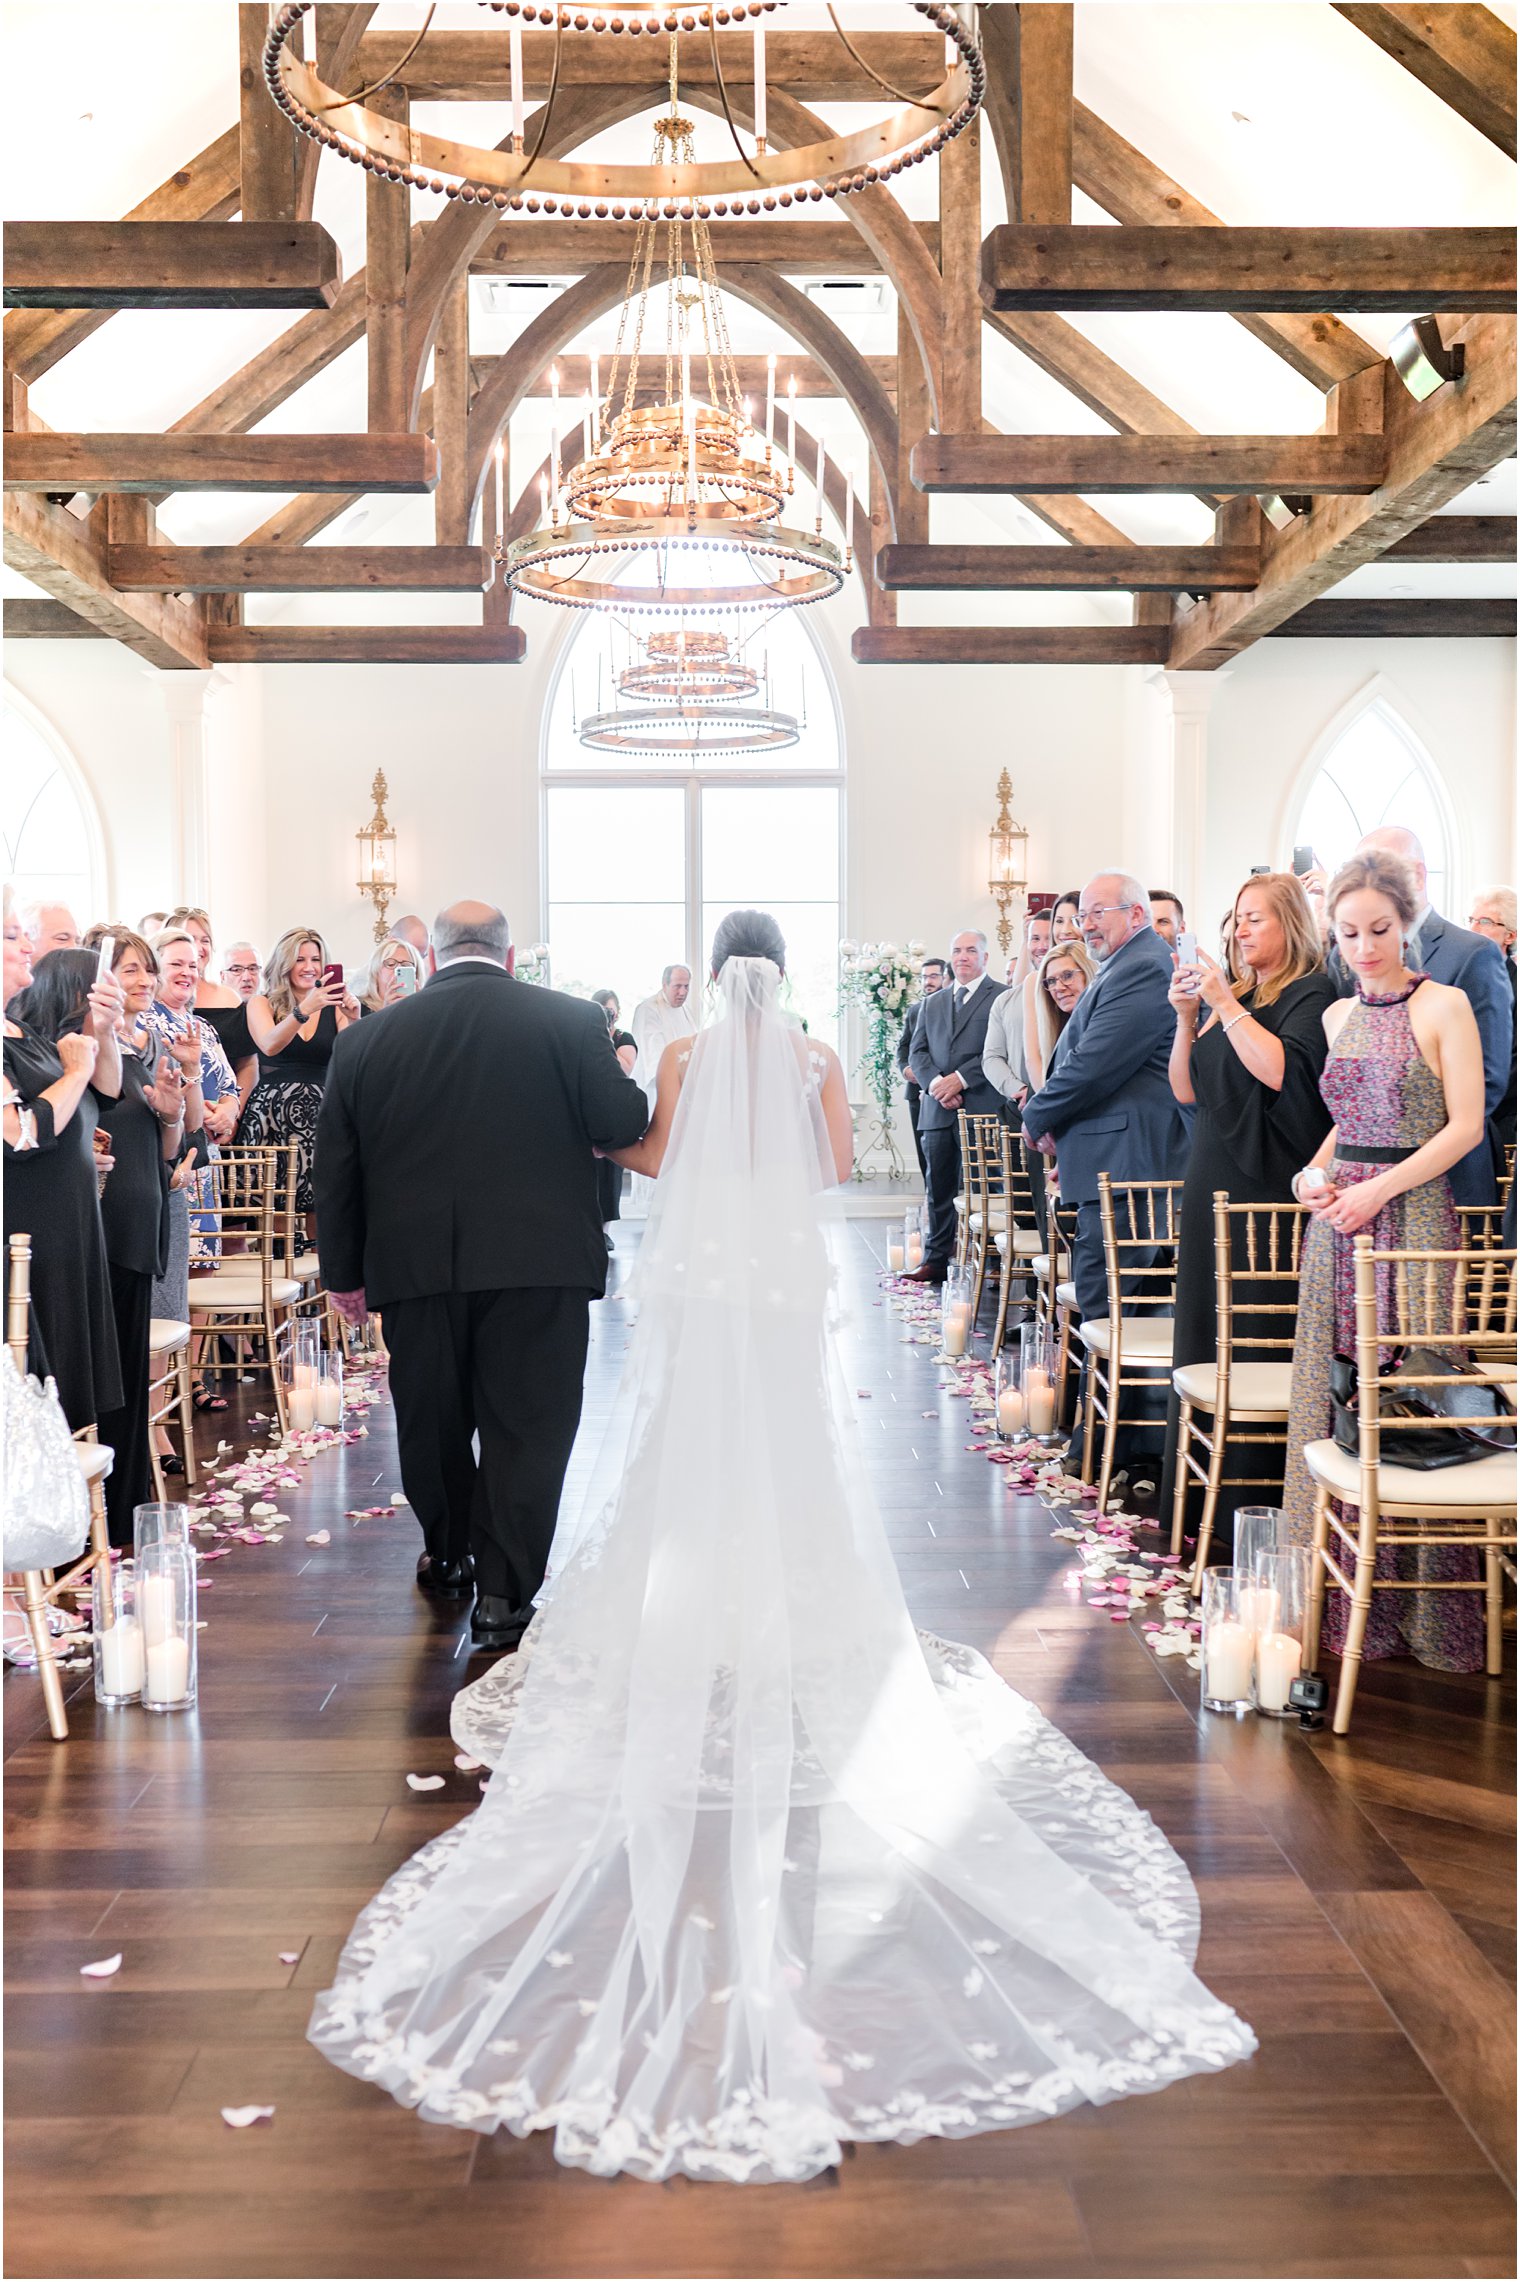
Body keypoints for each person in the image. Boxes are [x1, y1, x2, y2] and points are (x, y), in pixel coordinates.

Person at [310, 903, 1254, 2179]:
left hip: (696, 1271)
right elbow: (822, 1168)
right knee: (787, 1439)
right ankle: (764, 1590)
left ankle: (580, 1579)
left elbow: (644, 1154)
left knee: (680, 1435)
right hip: (774, 1267)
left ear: (711, 974)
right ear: (789, 970)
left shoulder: (688, 1053)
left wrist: (689, 1167)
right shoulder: (810, 1054)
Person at [313, 901, 650, 1649]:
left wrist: (344, 1274)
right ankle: (504, 1595)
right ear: (510, 953)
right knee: (528, 1427)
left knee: (432, 1420)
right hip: (541, 1265)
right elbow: (622, 1122)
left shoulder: (367, 1039)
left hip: (413, 1266)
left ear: (430, 957)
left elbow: (334, 1171)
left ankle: (450, 1550)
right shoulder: (568, 1022)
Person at [1282, 848, 1488, 1673]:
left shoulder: (1446, 1004)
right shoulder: (1336, 1017)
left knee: (1409, 1397)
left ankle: (1429, 1623)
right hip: (1338, 1222)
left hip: (1415, 1217)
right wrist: (1316, 1174)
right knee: (1334, 1395)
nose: (1364, 946)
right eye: (1349, 932)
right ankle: (1336, 1605)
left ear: (1406, 924)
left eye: (1379, 929)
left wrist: (1376, 1194)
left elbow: (1465, 1125)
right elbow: (1343, 1121)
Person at [1159, 874, 1336, 1553]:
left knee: (1254, 1340)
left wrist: (1224, 1001)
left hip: (1266, 1191)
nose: (1237, 932)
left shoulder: (1310, 993)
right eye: (1234, 920)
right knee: (1203, 1330)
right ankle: (1199, 1505)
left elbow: (1284, 1075)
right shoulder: (1246, 995)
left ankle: (1255, 1516)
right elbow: (1188, 1087)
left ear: (1288, 922)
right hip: (1210, 1179)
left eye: (1253, 919)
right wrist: (1185, 1018)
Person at [1021, 874, 1192, 1471]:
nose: (1084, 924)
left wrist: (1038, 1113)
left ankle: (1107, 1449)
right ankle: (1113, 1446)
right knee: (1118, 1305)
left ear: (1138, 915)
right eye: (1082, 915)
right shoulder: (1128, 964)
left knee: (1113, 1303)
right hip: (1116, 1162)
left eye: (1098, 914)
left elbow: (1096, 1062)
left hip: (1133, 1166)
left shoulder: (1145, 966)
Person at [21, 937, 184, 1545]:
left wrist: (170, 1113)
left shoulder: (98, 1050)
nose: (134, 984)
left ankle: (120, 1513)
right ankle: (95, 1521)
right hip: (90, 1233)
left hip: (130, 1225)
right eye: (118, 975)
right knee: (96, 1386)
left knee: (118, 1385)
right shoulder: (60, 1057)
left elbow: (129, 1110)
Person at [1329, 828, 1508, 1205]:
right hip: (1353, 1182)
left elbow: (1490, 1078)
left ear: (1419, 875)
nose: (1365, 946)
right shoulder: (1340, 965)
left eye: (1385, 870)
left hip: (1445, 1177)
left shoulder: (1472, 953)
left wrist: (1396, 1164)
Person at [2, 892, 122, 1433]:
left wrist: (103, 1027)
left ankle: (78, 1502)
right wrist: (73, 1076)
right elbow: (19, 1134)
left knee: (76, 1389)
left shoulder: (23, 1033)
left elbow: (108, 1082)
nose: (28, 946)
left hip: (72, 1222)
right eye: (11, 937)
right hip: (30, 1229)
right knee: (41, 1394)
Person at [144, 928, 235, 1434]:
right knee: (173, 1278)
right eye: (175, 964)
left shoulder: (203, 1027)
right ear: (157, 970)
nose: (186, 972)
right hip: (176, 1156)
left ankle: (192, 1374)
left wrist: (228, 1108)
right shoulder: (150, 1023)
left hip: (206, 1158)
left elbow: (231, 1085)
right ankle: (167, 1384)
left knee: (200, 1272)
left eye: (193, 964)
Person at [903, 929, 1005, 1285]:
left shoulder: (1003, 997)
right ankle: (936, 1259)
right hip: (937, 1110)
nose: (963, 957)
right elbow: (918, 1051)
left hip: (984, 1107)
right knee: (939, 1189)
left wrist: (960, 1080)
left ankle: (993, 1260)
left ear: (985, 957)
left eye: (971, 950)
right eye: (957, 951)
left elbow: (1001, 1051)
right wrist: (935, 1085)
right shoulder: (931, 1004)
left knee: (989, 1188)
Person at [242, 927, 359, 1219]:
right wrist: (305, 1008)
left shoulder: (337, 1006)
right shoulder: (262, 1002)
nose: (309, 967)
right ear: (284, 963)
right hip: (272, 1116)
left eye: (316, 959)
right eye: (300, 959)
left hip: (323, 1113)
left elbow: (352, 1059)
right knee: (275, 1213)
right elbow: (269, 1044)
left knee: (324, 1209)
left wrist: (356, 1018)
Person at [982, 910, 1051, 1123]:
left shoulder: (1071, 993)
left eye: (1049, 938)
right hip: (1018, 1107)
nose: (1041, 946)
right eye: (1035, 938)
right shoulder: (1006, 1000)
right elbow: (992, 1057)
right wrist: (1019, 1089)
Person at [1469, 886, 1516, 1152]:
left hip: (1499, 1120)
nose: (1474, 929)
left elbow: (1513, 1065)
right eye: (1472, 920)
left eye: (1485, 922)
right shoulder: (1466, 980)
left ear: (1510, 935)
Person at [591, 989, 638, 1237]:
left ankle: (605, 1231)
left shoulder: (622, 1037)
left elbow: (624, 1069)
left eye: (609, 1011)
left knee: (610, 1171)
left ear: (617, 1012)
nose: (606, 1015)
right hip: (588, 1108)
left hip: (613, 1109)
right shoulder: (585, 1035)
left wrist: (604, 1040)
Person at [897, 953, 946, 1179]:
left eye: (934, 976)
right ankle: (929, 1195)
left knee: (943, 1151)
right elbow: (904, 1047)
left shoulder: (952, 1007)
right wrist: (906, 1069)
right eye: (924, 977)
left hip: (944, 1089)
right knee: (922, 1147)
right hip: (915, 1088)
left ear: (945, 978)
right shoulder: (915, 1010)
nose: (928, 982)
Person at [355, 936, 428, 1015]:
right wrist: (387, 1012)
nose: (398, 969)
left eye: (406, 966)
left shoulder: (423, 1008)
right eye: (391, 964)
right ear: (376, 971)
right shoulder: (358, 1008)